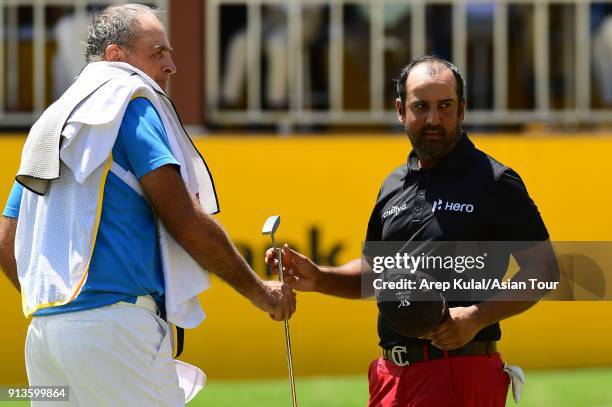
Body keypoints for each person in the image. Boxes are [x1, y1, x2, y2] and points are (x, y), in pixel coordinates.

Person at [0, 4, 295, 406]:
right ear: (115, 56)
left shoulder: (49, 121)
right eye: (157, 52)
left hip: (44, 335)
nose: (171, 65)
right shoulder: (128, 99)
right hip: (114, 328)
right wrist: (263, 293)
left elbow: (7, 238)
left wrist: (61, 304)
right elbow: (185, 220)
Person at [266, 56, 558, 406]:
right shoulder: (393, 184)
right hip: (390, 376)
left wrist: (477, 316)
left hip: (459, 372)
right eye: (421, 107)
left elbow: (544, 269)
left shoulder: (495, 181)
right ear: (401, 111)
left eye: (445, 106)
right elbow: (377, 274)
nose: (433, 119)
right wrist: (319, 278)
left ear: (462, 110)